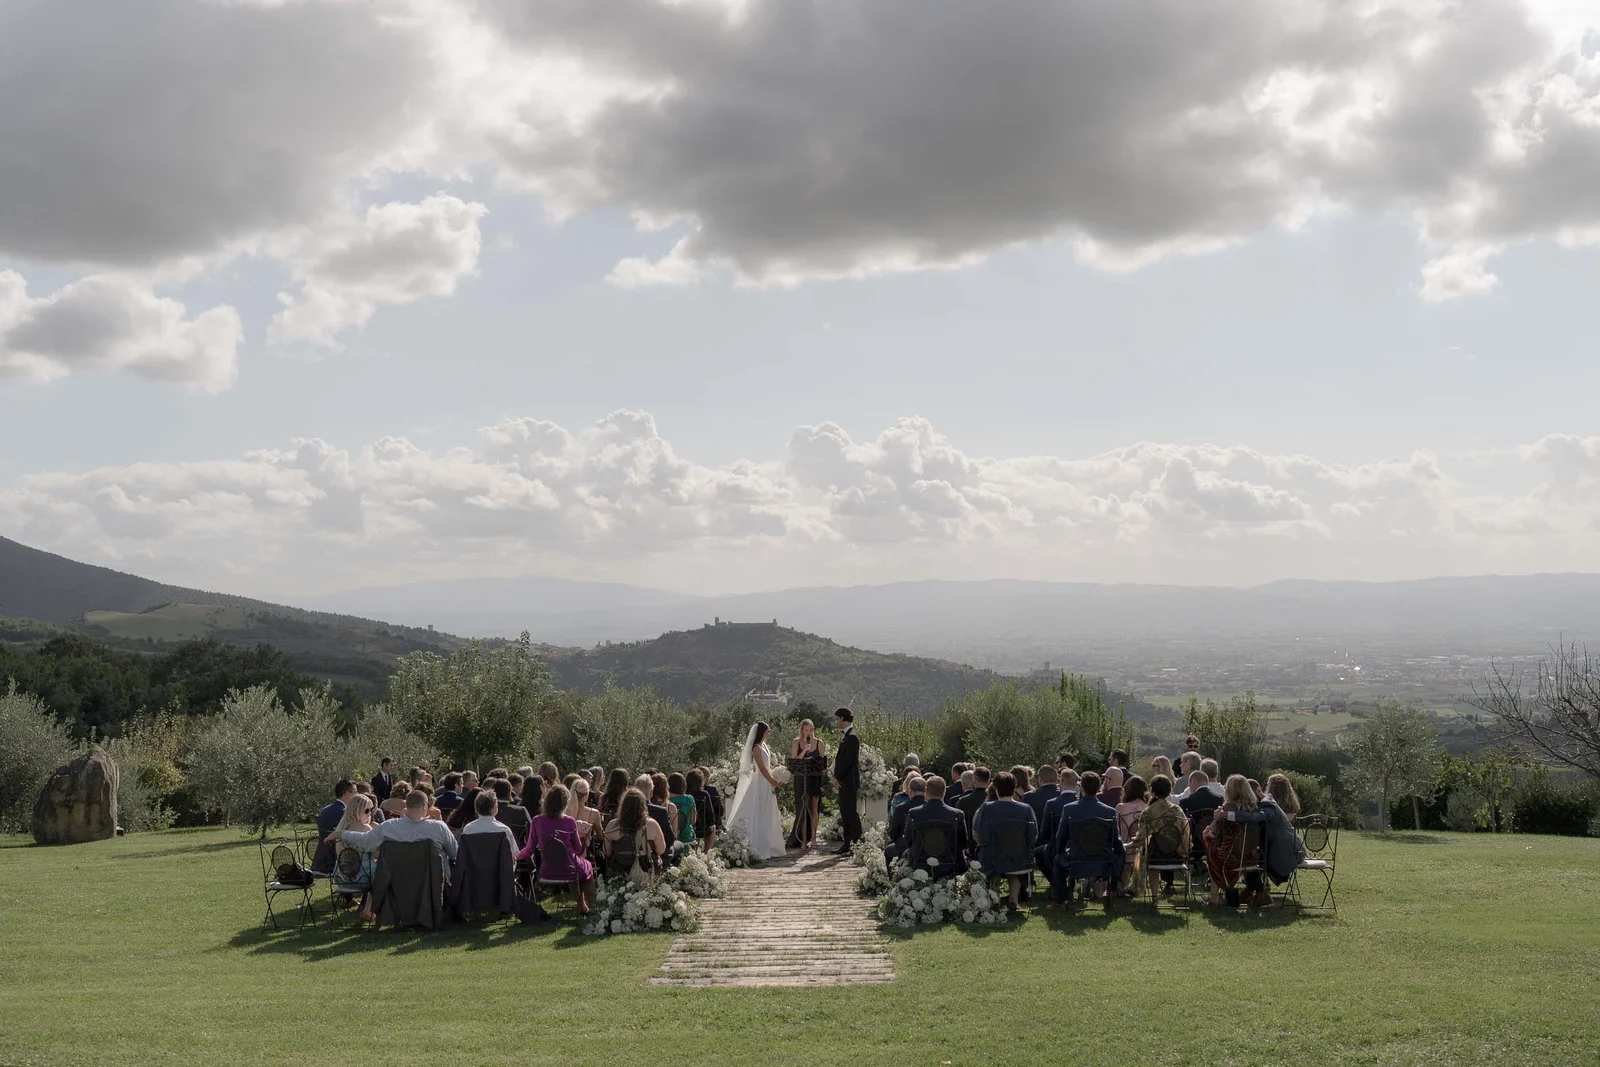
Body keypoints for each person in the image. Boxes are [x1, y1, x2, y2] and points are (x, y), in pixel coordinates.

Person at [1212, 773, 1305, 905]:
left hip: (1289, 852)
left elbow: (1254, 817)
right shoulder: (1262, 803)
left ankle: (1252, 893)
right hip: (1269, 849)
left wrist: (1226, 814)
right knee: (1249, 859)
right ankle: (1256, 893)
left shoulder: (1268, 804)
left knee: (1244, 859)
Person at [335, 789, 458, 882]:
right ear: (425, 806)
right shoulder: (439, 827)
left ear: (406, 806)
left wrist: (342, 833)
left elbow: (365, 841)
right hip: (433, 882)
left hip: (400, 882)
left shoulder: (389, 827)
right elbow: (455, 853)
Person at [1047, 771, 1125, 909]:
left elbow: (1060, 838)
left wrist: (1061, 853)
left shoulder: (1069, 809)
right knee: (1120, 854)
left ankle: (1060, 900)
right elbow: (1116, 842)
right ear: (1099, 788)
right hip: (1103, 862)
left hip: (1076, 861)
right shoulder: (1109, 811)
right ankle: (1110, 891)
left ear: (1081, 788)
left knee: (1058, 859)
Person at [520, 785, 595, 914]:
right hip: (569, 867)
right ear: (565, 803)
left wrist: (515, 856)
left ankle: (582, 905)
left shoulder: (536, 821)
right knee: (585, 867)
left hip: (547, 870)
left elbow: (529, 849)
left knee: (574, 867)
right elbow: (577, 848)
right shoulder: (569, 821)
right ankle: (589, 904)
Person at [724, 722, 788, 860]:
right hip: (761, 782)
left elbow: (768, 766)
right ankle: (757, 844)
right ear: (762, 732)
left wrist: (777, 773)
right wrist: (773, 782)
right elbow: (762, 768)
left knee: (767, 811)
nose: (769, 733)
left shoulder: (764, 746)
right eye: (767, 731)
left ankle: (769, 844)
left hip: (767, 781)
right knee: (758, 810)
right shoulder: (756, 748)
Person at [977, 772, 1037, 907]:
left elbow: (980, 833)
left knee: (994, 861)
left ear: (996, 790)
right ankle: (1013, 899)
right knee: (1013, 862)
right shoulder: (1026, 809)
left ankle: (995, 898)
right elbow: (1033, 835)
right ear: (1014, 788)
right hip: (1020, 858)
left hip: (994, 858)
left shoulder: (987, 808)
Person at [1203, 774, 1261, 907]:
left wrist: (1214, 821)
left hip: (1230, 856)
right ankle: (1229, 890)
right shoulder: (1254, 807)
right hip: (1251, 856)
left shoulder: (1228, 807)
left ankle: (1214, 896)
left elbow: (1213, 832)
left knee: (1211, 850)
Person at [1129, 774, 1190, 897]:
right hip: (1176, 854)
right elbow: (1186, 832)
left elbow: (1141, 838)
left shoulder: (1148, 812)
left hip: (1155, 856)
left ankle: (1154, 898)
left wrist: (1128, 845)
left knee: (1146, 855)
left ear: (1152, 790)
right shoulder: (1177, 810)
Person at [900, 775, 967, 879]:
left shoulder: (914, 813)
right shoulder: (957, 814)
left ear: (926, 792)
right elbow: (963, 843)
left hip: (920, 864)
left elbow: (908, 840)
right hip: (950, 865)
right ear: (944, 792)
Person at [326, 793, 379, 921]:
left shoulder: (342, 827)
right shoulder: (364, 828)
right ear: (356, 811)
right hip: (361, 877)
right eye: (367, 810)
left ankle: (368, 909)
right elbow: (376, 854)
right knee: (385, 871)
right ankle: (369, 910)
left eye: (372, 810)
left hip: (342, 876)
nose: (370, 814)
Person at [603, 788, 666, 884]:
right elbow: (661, 849)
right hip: (645, 871)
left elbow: (607, 851)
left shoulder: (612, 825)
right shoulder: (652, 825)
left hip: (619, 872)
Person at [788, 718, 827, 850]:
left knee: (814, 809)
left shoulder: (819, 743)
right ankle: (803, 840)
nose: (808, 732)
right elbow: (793, 763)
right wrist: (804, 750)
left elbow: (822, 764)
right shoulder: (796, 742)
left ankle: (814, 839)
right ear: (802, 730)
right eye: (806, 730)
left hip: (814, 778)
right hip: (800, 779)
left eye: (811, 730)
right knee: (803, 809)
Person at [832, 708, 862, 854]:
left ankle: (856, 843)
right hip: (845, 781)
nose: (836, 721)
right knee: (845, 812)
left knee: (850, 812)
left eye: (837, 718)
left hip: (849, 781)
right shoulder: (847, 736)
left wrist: (838, 777)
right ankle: (847, 843)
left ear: (843, 718)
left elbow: (848, 761)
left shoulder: (852, 737)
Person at [461, 788, 518, 855]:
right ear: (494, 808)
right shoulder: (504, 829)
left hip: (474, 865)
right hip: (499, 865)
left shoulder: (468, 828)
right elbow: (514, 853)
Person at [884, 775, 925, 865]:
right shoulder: (930, 807)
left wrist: (899, 842)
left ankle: (893, 877)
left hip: (906, 847)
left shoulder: (901, 808)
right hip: (929, 848)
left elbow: (893, 831)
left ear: (910, 791)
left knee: (887, 851)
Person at [487, 778, 530, 848]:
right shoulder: (521, 811)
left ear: (494, 792)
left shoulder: (488, 812)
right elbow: (531, 834)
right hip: (518, 851)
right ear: (510, 792)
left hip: (494, 851)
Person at [955, 766, 992, 838]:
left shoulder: (963, 801)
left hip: (970, 841)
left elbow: (959, 826)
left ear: (974, 780)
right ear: (989, 781)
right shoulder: (993, 800)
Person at [686, 769, 717, 850]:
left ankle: (694, 850)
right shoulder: (704, 794)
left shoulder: (685, 795)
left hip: (687, 828)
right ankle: (707, 852)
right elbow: (711, 816)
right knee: (713, 827)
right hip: (702, 829)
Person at [666, 773, 699, 848]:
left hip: (672, 839)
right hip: (688, 837)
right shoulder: (689, 799)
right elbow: (693, 821)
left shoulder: (667, 801)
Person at [1116, 775, 1148, 846]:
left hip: (1125, 846)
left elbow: (1116, 830)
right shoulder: (1148, 807)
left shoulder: (1120, 808)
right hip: (1143, 847)